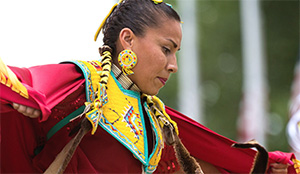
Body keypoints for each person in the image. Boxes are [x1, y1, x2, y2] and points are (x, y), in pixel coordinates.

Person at [1, 0, 298, 173]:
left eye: (176, 53)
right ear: (128, 39)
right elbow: (22, 85)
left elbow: (221, 157)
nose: (173, 65)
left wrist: (276, 166)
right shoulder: (82, 84)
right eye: (166, 49)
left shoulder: (159, 124)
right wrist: (18, 98)